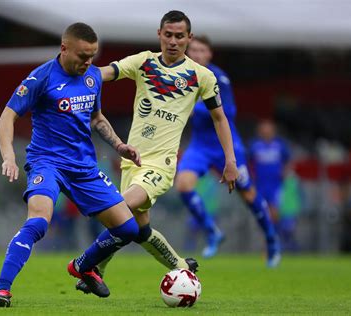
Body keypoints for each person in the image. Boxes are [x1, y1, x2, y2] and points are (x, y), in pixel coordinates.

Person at [76, 11, 238, 294]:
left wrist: (231, 160)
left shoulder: (202, 76)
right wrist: (76, 72)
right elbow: (106, 73)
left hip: (161, 164)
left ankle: (87, 266)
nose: (173, 41)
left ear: (189, 38)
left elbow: (220, 118)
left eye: (179, 36)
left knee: (118, 208)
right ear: (159, 35)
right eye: (168, 35)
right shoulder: (144, 62)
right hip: (132, 162)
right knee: (137, 229)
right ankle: (180, 267)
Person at [0, 22, 142, 307]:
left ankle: (83, 266)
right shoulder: (41, 78)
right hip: (46, 163)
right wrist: (8, 156)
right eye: (83, 55)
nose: (88, 62)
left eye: (92, 56)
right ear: (64, 48)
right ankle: (2, 290)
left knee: (128, 230)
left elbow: (96, 118)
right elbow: (7, 117)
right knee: (38, 222)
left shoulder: (93, 76)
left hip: (84, 166)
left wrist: (119, 145)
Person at [174, 35, 281, 267]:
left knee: (248, 194)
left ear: (209, 54)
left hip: (226, 145)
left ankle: (271, 239)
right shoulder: (181, 76)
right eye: (193, 50)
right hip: (200, 146)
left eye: (202, 50)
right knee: (183, 184)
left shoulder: (218, 77)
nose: (197, 55)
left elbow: (228, 112)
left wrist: (195, 109)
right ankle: (212, 231)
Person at [249, 120, 292, 245]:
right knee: (262, 214)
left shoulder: (280, 145)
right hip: (260, 185)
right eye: (263, 129)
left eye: (268, 129)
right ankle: (267, 242)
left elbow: (288, 161)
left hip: (275, 185)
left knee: (274, 213)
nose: (266, 132)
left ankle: (274, 242)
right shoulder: (255, 145)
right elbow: (248, 161)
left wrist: (284, 172)